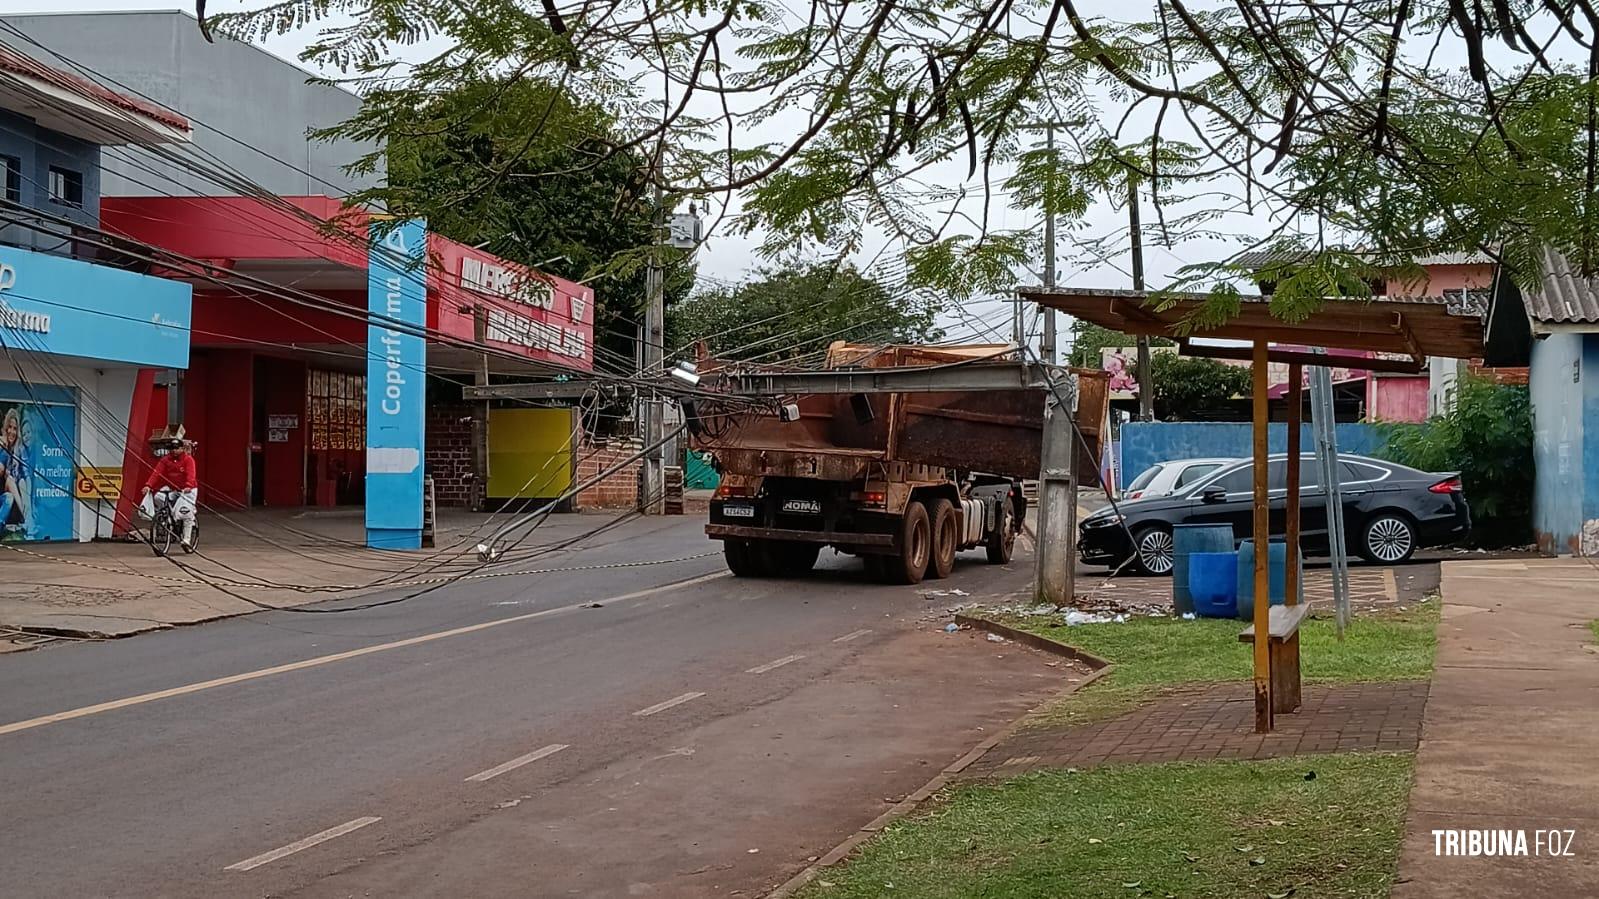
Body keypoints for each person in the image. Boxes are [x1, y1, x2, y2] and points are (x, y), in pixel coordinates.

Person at [143, 438, 198, 548]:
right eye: (171, 449)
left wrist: (188, 486)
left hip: (188, 490)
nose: (173, 451)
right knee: (158, 497)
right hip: (173, 489)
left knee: (185, 512)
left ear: (182, 448)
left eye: (176, 448)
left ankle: (187, 538)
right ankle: (167, 517)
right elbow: (156, 473)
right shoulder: (165, 460)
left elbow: (191, 475)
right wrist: (148, 485)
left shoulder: (188, 460)